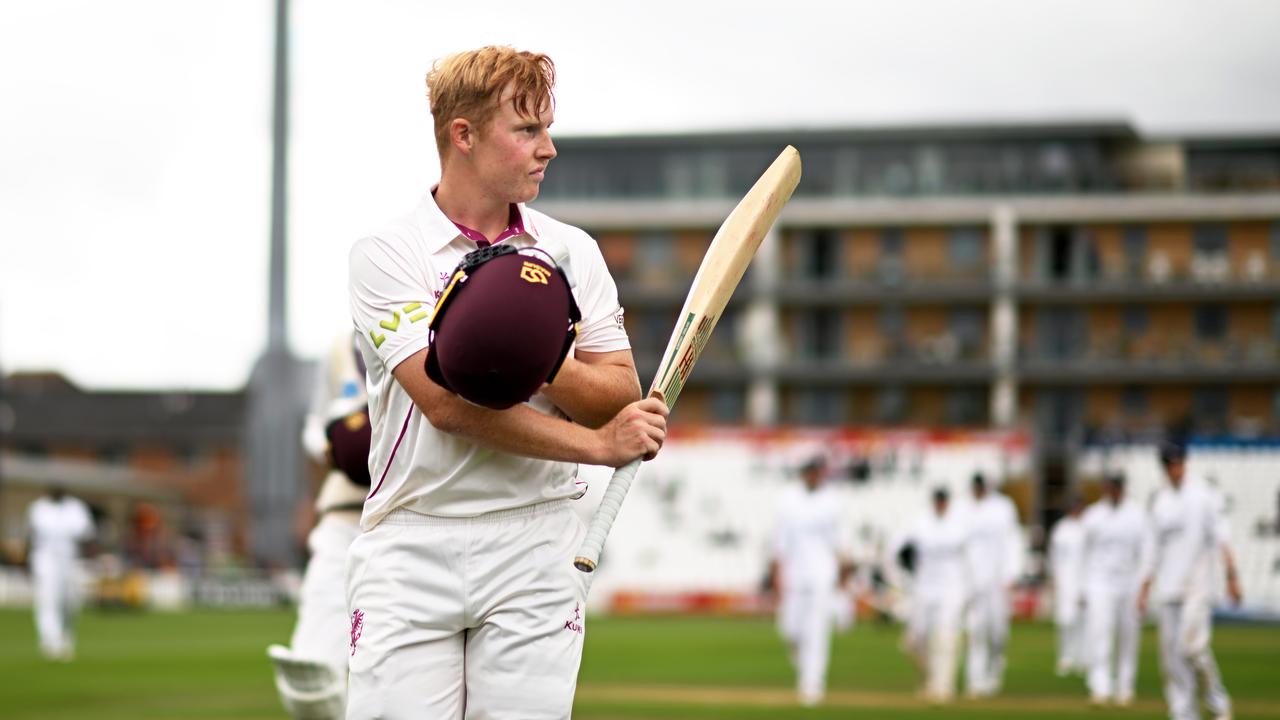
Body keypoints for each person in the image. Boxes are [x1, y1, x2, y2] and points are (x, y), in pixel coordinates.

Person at [345, 45, 668, 719]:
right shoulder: (386, 254)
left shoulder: (572, 251)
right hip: (412, 540)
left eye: (547, 129)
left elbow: (617, 394)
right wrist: (597, 448)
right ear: (462, 136)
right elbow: (443, 404)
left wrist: (544, 361)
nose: (547, 149)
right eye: (527, 130)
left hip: (534, 542)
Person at [269, 330, 371, 719]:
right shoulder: (340, 347)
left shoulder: (448, 320)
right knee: (309, 680)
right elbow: (315, 423)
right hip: (345, 511)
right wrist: (334, 444)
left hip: (422, 514)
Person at [1139, 443, 1242, 720]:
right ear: (1163, 467)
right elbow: (1152, 549)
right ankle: (1183, 713)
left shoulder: (1204, 495)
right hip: (1169, 588)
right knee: (1171, 659)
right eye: (1170, 464)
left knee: (1192, 648)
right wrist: (1145, 586)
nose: (1176, 469)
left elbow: (1223, 536)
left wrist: (1232, 575)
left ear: (1185, 463)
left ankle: (1217, 702)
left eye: (1179, 463)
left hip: (1197, 586)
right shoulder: (1159, 502)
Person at [768, 455, 854, 707]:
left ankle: (812, 685)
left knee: (817, 632)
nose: (813, 475)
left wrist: (843, 576)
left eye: (817, 471)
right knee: (790, 630)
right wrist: (776, 574)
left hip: (821, 574)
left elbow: (841, 544)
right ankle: (805, 669)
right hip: (795, 574)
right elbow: (779, 542)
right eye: (809, 471)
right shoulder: (788, 500)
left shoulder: (832, 502)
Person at [896, 487, 970, 704]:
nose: (940, 504)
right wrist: (907, 573)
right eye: (937, 500)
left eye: (943, 501)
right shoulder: (919, 523)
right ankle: (930, 678)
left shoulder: (960, 525)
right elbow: (899, 551)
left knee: (945, 637)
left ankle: (943, 687)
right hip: (924, 587)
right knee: (915, 639)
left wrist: (968, 588)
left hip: (951, 588)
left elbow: (969, 559)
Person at [1081, 472, 1148, 707]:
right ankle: (1100, 686)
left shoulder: (1137, 514)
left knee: (1128, 636)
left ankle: (1125, 687)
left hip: (1129, 581)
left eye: (1118, 486)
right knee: (1100, 633)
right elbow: (1084, 553)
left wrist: (1144, 585)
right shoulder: (1093, 516)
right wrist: (1084, 586)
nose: (1115, 490)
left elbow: (1145, 552)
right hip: (1100, 581)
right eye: (1112, 485)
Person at [964, 472, 1023, 697]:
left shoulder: (1003, 507)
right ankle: (975, 679)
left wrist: (1012, 573)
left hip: (998, 581)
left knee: (998, 632)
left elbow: (1013, 540)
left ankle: (994, 670)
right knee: (975, 630)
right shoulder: (964, 509)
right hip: (973, 581)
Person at [26, 485, 95, 661]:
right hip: (45, 558)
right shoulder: (38, 508)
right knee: (47, 599)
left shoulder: (75, 508)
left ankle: (65, 637)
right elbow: (31, 535)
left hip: (69, 558)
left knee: (69, 600)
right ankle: (50, 641)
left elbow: (87, 532)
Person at [1048, 493, 1086, 678]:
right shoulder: (1061, 529)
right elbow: (1055, 559)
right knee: (1065, 621)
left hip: (1084, 580)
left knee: (1083, 621)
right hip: (1066, 581)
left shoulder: (1087, 526)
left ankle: (1082, 658)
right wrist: (1055, 581)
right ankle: (1065, 658)